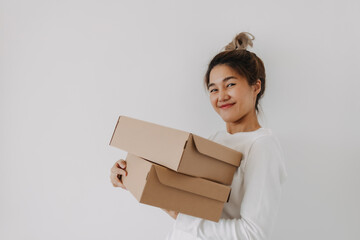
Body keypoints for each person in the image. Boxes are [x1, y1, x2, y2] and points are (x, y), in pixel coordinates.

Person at [110, 32, 288, 240]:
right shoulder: (215, 140)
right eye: (213, 89)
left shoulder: (262, 146)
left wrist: (188, 223)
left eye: (230, 84)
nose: (221, 96)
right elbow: (186, 213)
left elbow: (253, 233)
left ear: (255, 86)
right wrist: (133, 177)